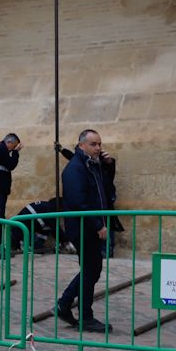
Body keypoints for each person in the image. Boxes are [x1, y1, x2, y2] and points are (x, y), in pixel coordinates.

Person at [55, 129, 115, 334]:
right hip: (83, 227)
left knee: (91, 269)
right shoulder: (75, 169)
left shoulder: (93, 165)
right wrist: (98, 225)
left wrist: (109, 166)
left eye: (99, 144)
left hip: (90, 225)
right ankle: (84, 316)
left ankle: (64, 305)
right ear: (81, 146)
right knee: (91, 269)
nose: (98, 148)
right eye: (93, 144)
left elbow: (106, 188)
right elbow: (80, 203)